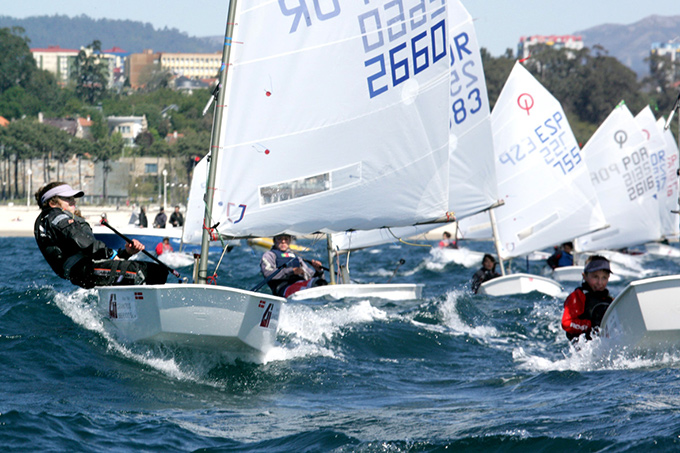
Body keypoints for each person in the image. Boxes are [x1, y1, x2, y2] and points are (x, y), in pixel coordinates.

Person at [34, 182, 168, 289]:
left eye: (73, 198)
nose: (73, 201)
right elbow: (80, 239)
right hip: (84, 271)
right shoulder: (54, 216)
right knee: (150, 272)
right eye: (68, 199)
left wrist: (125, 253)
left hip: (88, 270)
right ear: (53, 203)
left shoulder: (57, 219)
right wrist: (110, 254)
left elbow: (91, 251)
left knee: (154, 271)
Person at [561, 255, 613, 342]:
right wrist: (589, 326)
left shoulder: (610, 300)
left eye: (604, 277)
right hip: (583, 350)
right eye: (595, 277)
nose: (600, 282)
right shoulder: (576, 297)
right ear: (584, 276)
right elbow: (566, 323)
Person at [260, 233, 326, 297]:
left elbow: (310, 274)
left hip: (301, 284)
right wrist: (291, 271)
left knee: (320, 283)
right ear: (274, 240)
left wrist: (319, 271)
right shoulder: (269, 255)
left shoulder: (296, 257)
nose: (283, 241)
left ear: (289, 241)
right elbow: (268, 274)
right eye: (279, 239)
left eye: (286, 239)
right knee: (308, 286)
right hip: (284, 288)